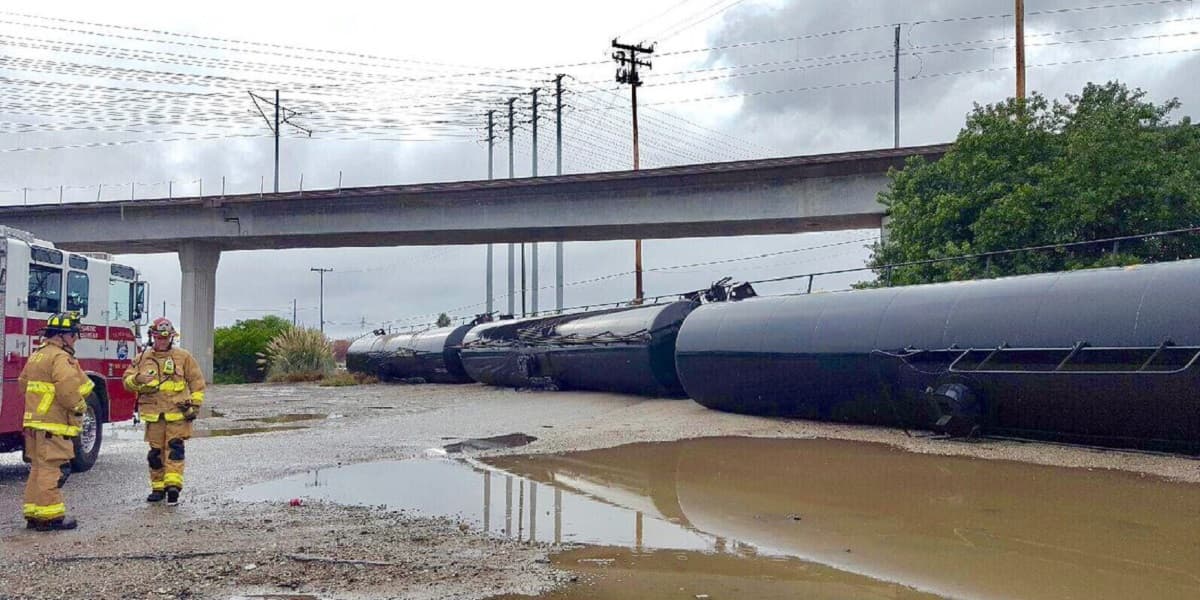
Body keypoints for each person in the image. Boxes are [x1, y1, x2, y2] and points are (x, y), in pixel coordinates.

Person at [20, 312, 94, 531]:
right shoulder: (61, 358)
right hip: (53, 424)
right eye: (74, 335)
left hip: (35, 423)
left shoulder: (38, 354)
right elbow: (67, 389)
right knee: (53, 469)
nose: (75, 340)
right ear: (64, 336)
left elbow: (23, 384)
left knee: (38, 468)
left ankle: (34, 513)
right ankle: (50, 517)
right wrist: (80, 407)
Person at [123, 317, 206, 506]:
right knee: (155, 454)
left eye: (166, 337)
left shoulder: (183, 357)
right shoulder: (142, 358)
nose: (163, 341)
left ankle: (173, 488)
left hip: (177, 413)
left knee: (174, 450)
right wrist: (137, 379)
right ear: (153, 337)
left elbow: (197, 383)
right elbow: (126, 382)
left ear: (171, 337)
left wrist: (194, 405)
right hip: (154, 415)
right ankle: (158, 488)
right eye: (159, 337)